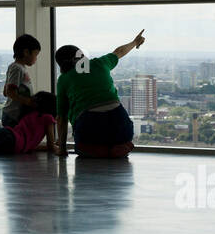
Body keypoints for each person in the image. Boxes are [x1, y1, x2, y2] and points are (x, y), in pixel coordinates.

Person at [54, 30, 146, 158]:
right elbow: (119, 52)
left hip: (89, 126)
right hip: (119, 121)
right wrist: (135, 42)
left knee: (85, 148)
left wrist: (62, 149)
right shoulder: (100, 63)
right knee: (121, 140)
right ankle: (119, 147)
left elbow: (61, 118)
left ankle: (98, 150)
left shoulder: (64, 79)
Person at [2, 33, 42, 128]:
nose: (36, 58)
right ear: (26, 52)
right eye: (35, 54)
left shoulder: (18, 68)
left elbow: (5, 91)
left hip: (13, 115)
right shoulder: (17, 69)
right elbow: (9, 92)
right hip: (13, 115)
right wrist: (27, 101)